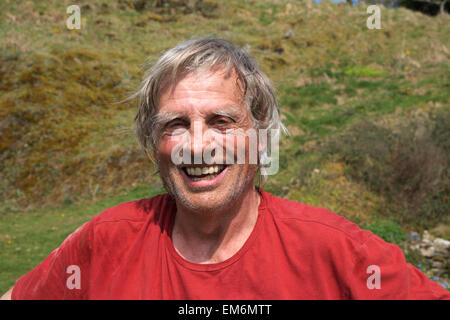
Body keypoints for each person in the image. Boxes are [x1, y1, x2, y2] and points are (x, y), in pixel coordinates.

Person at [2, 37, 449, 300]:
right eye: (176, 124)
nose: (197, 146)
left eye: (222, 121)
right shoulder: (105, 243)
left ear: (260, 136)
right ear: (153, 143)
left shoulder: (336, 251)